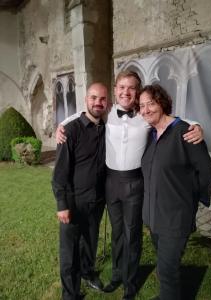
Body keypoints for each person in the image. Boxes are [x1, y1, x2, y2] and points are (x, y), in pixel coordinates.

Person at [56, 71, 203, 300]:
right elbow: (84, 113)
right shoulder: (108, 112)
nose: (126, 92)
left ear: (138, 91)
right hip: (110, 183)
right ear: (115, 90)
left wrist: (196, 125)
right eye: (122, 87)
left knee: (132, 235)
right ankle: (117, 275)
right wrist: (61, 125)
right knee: (117, 234)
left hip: (135, 182)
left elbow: (172, 120)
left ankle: (131, 284)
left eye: (132, 88)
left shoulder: (146, 115)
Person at [139, 84, 211, 300]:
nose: (145, 110)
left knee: (167, 270)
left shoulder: (185, 132)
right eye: (142, 106)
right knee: (166, 267)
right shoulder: (150, 134)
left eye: (151, 104)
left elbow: (207, 171)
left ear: (162, 102)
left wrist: (188, 200)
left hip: (175, 217)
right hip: (154, 217)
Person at [52, 82, 108, 300]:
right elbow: (59, 173)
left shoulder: (107, 127)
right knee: (70, 251)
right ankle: (70, 294)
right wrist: (62, 205)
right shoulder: (70, 130)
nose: (98, 103)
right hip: (74, 201)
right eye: (94, 98)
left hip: (97, 200)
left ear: (107, 102)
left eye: (102, 99)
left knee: (90, 242)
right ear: (86, 100)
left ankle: (87, 273)